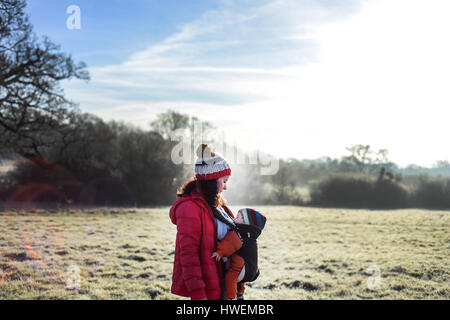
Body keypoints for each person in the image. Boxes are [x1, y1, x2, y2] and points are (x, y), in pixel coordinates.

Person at [169, 143, 239, 300]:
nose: (226, 187)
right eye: (224, 180)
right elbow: (189, 256)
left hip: (224, 284)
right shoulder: (189, 208)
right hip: (207, 289)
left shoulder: (218, 204)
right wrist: (198, 294)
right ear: (212, 180)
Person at [211, 208, 267, 300]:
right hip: (252, 269)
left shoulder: (239, 233)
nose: (234, 218)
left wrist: (220, 252)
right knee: (240, 279)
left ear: (246, 222)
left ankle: (231, 297)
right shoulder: (251, 237)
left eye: (238, 217)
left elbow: (230, 243)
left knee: (231, 277)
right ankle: (240, 293)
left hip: (242, 269)